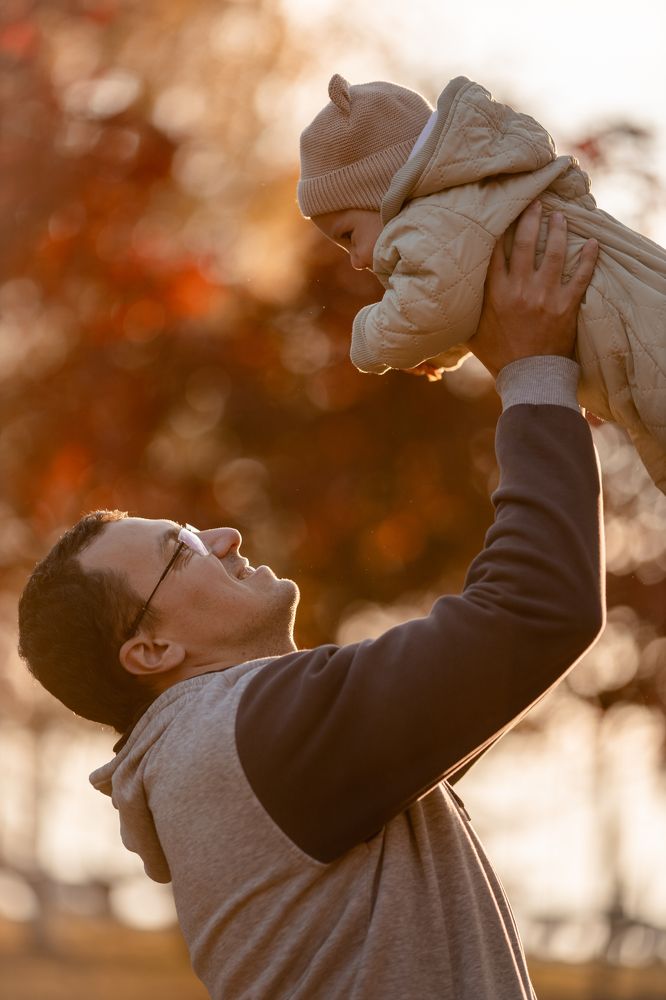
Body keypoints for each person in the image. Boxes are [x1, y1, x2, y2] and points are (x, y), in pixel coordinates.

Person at [18, 206, 604, 1000]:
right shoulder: (245, 735)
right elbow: (535, 610)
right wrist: (535, 375)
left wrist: (558, 430)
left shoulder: (230, 756)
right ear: (151, 651)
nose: (221, 536)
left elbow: (491, 669)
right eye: (180, 549)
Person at [298, 73, 666, 493]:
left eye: (349, 236)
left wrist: (366, 341)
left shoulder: (430, 221)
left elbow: (434, 306)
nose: (358, 260)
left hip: (637, 341)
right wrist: (441, 349)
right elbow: (464, 293)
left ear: (385, 190)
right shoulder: (478, 196)